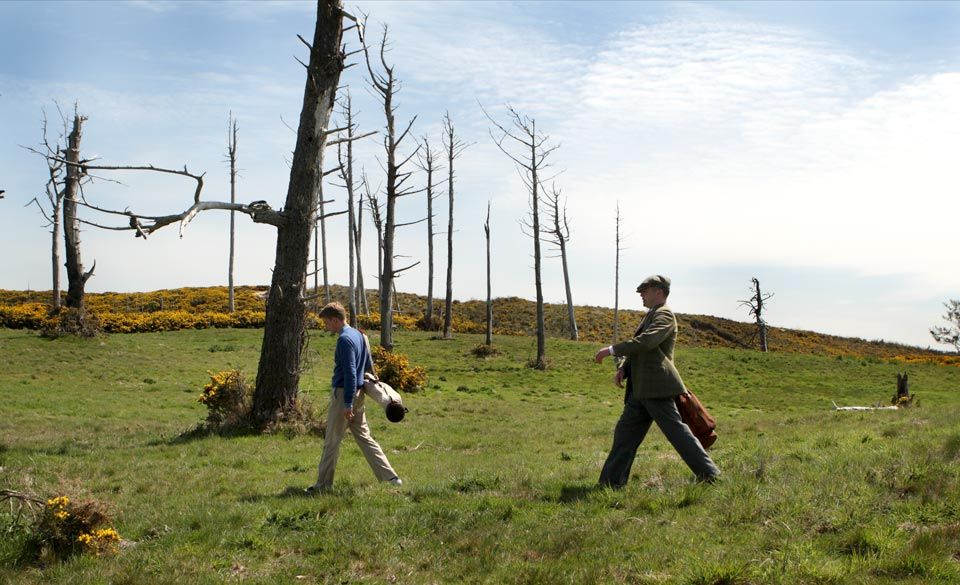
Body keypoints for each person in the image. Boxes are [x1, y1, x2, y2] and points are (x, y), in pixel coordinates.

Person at [593, 275, 720, 488]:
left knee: (679, 435)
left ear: (659, 292)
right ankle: (610, 484)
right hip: (640, 390)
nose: (641, 294)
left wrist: (612, 350)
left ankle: (711, 476)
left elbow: (646, 342)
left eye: (645, 290)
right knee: (624, 435)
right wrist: (623, 368)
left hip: (656, 388)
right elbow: (640, 350)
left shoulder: (665, 315)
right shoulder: (651, 315)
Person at [308, 302, 402, 492]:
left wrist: (347, 404)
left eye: (327, 323)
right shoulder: (359, 335)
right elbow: (368, 363)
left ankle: (323, 486)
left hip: (345, 394)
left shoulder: (344, 340)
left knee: (331, 441)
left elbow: (350, 373)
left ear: (335, 320)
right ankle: (391, 478)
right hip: (358, 393)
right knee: (365, 438)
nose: (326, 327)